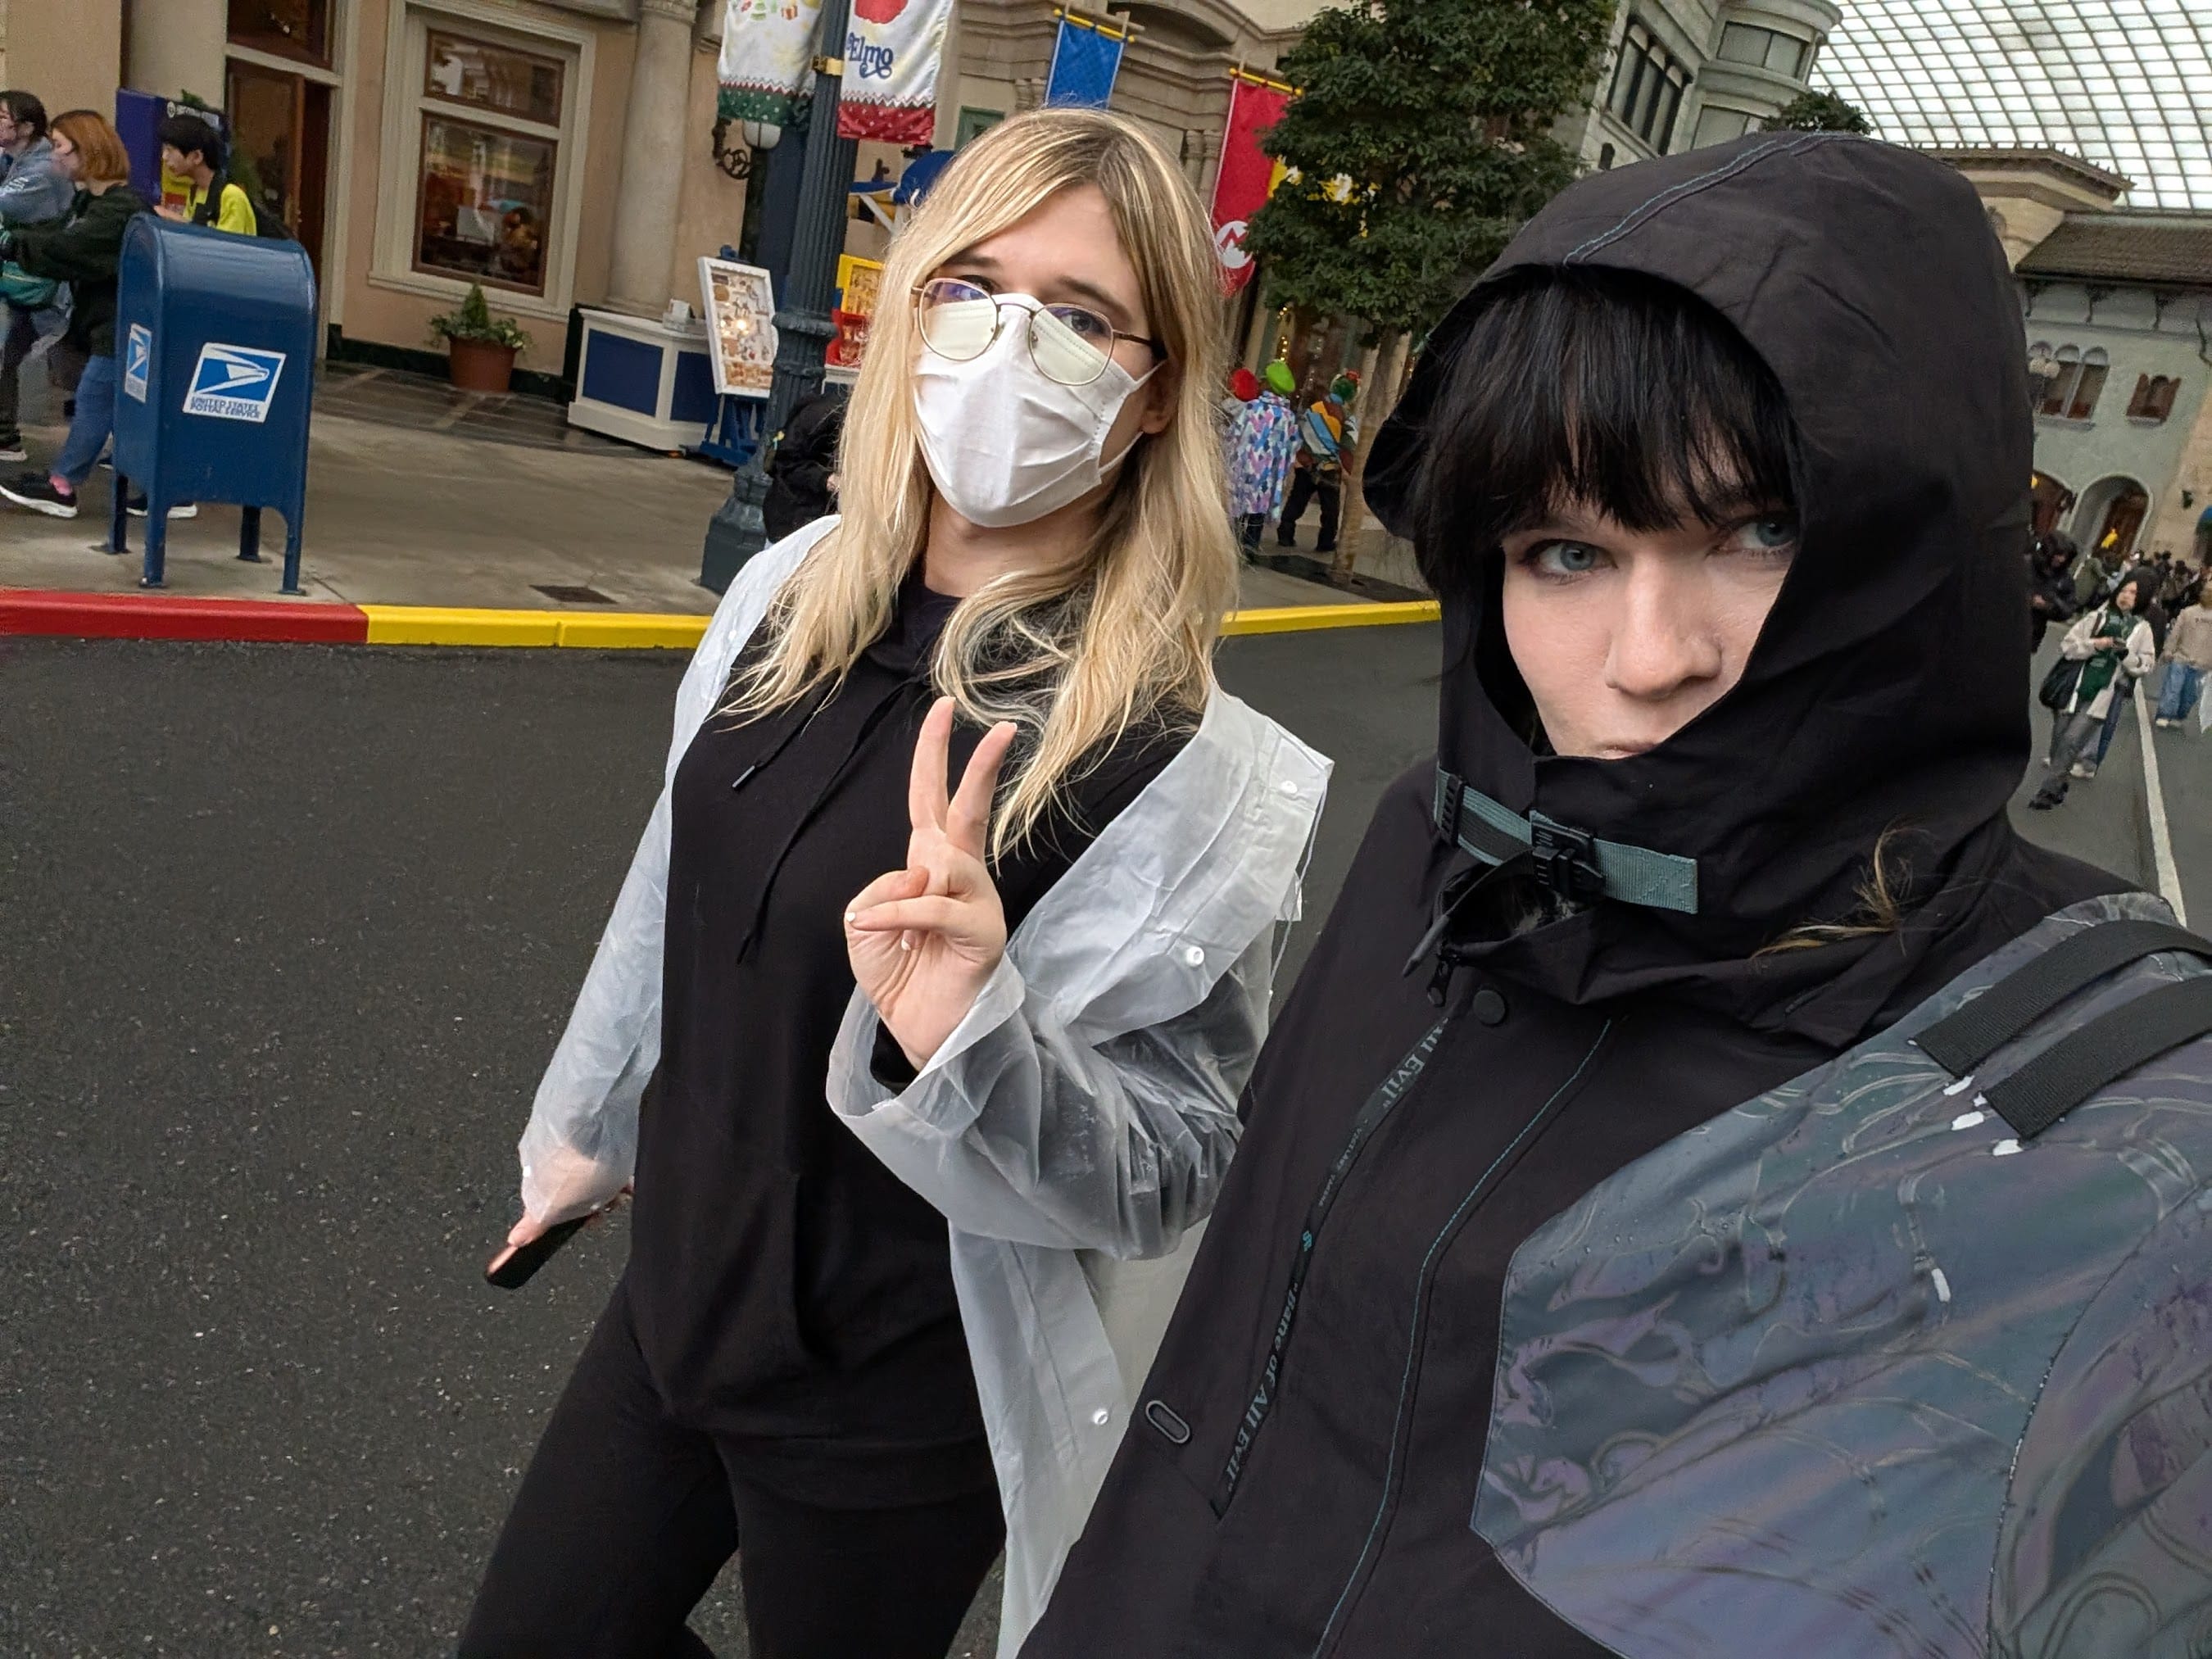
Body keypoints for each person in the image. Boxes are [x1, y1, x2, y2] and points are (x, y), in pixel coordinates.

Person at [1021, 136, 2212, 1659]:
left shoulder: (2107, 1095)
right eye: (1565, 551)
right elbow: (1244, 1339)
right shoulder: (1436, 850)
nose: (1650, 657)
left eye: (1754, 534)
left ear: (1925, 543)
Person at [460, 107, 1328, 1659]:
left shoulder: (1187, 765)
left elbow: (1181, 1166)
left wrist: (979, 1026)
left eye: (1078, 319)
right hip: (672, 1312)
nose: (1010, 348)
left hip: (893, 1407)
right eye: (972, 288)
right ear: (910, 307)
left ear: (1151, 400)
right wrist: (584, 1131)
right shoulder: (790, 593)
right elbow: (671, 897)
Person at [0, 111, 147, 521]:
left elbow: (71, 248)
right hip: (104, 321)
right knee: (112, 406)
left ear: (89, 150)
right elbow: (59, 234)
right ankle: (164, 486)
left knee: (95, 400)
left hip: (123, 323)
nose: (54, 159)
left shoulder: (120, 210)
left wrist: (13, 244)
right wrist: (17, 243)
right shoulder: (92, 201)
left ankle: (63, 485)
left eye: (61, 147)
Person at [0, 90, 74, 467]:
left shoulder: (43, 170)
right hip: (25, 282)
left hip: (48, 287)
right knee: (4, 355)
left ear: (25, 127)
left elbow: (4, 204)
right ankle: (6, 438)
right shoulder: (15, 160)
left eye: (1, 117)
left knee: (80, 372)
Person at [1275, 370, 1358, 555]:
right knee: (1330, 511)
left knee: (1297, 501)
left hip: (1307, 465)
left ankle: (1285, 534)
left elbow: (1301, 432)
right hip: (1330, 469)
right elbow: (1347, 449)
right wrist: (1354, 472)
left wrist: (1302, 456)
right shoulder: (1347, 418)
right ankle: (1325, 542)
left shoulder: (1315, 408)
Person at [1226, 358, 1299, 556]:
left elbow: (1234, 434)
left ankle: (1234, 544)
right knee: (1259, 508)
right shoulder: (1288, 417)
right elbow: (1293, 446)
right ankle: (1250, 545)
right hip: (1269, 473)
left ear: (1267, 384)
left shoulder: (1252, 408)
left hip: (1244, 467)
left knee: (1240, 504)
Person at [759, 385, 845, 544]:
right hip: (793, 518)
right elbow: (785, 460)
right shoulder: (821, 414)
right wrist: (826, 479)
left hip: (822, 521)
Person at [154, 113, 257, 236]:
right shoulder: (194, 191)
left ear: (197, 157)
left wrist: (175, 219)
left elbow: (225, 249)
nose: (164, 157)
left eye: (170, 150)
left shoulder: (231, 196)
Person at [2155, 573, 2212, 728]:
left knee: (2190, 694)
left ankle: (2180, 715)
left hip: (2203, 664)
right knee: (2173, 687)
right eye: (2206, 592)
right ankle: (2165, 713)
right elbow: (2176, 633)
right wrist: (2169, 649)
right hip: (2181, 657)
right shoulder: (2188, 612)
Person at [2027, 530, 2076, 649]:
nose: (2061, 559)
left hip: (2031, 635)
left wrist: (2048, 607)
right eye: (2059, 554)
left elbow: (2069, 608)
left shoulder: (2064, 578)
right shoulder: (2025, 564)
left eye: (2065, 556)